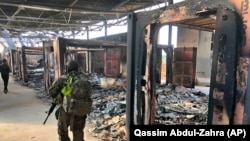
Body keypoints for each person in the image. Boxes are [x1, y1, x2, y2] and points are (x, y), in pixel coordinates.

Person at [48, 60, 92, 141]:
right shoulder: (84, 79)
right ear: (77, 69)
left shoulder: (63, 79)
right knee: (78, 132)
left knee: (62, 132)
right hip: (80, 111)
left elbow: (52, 93)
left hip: (66, 112)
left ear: (67, 69)